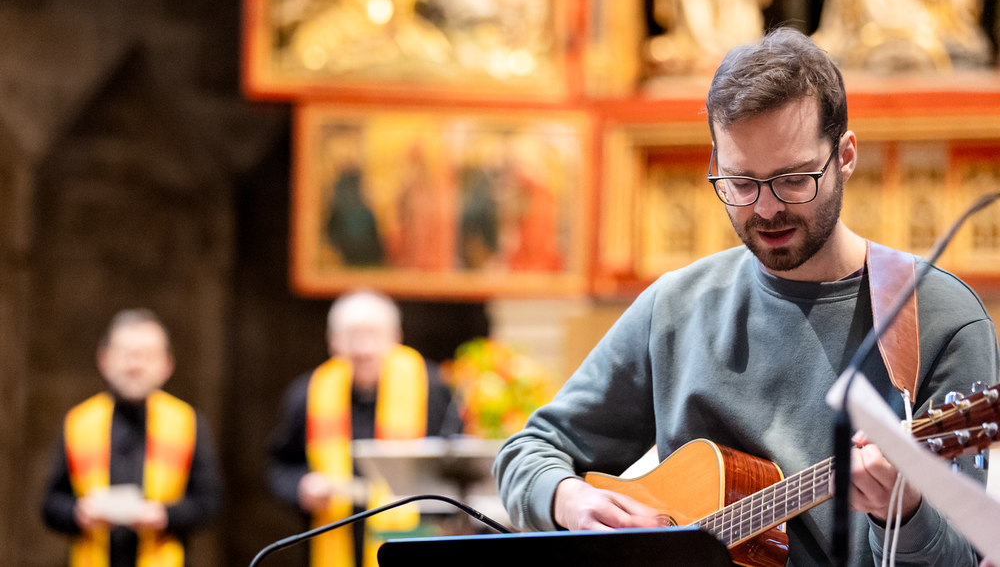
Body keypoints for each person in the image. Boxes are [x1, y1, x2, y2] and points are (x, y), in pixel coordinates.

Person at [493, 28, 999, 567]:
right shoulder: (676, 306)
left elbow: (961, 559)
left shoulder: (937, 318)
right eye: (740, 182)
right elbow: (528, 452)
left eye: (793, 179)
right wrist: (568, 500)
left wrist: (902, 513)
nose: (765, 209)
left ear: (845, 156)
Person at [269, 290, 462, 567]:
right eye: (351, 336)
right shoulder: (308, 393)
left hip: (414, 542)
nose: (364, 349)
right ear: (332, 341)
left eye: (375, 335)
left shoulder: (433, 389)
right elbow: (280, 466)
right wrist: (301, 486)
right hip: (334, 538)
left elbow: (457, 461)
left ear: (396, 337)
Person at [41, 309, 223, 567]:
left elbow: (209, 502)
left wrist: (165, 515)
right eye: (126, 354)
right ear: (104, 359)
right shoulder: (79, 422)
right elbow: (50, 504)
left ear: (167, 365)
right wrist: (78, 513)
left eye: (147, 355)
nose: (135, 365)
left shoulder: (187, 423)